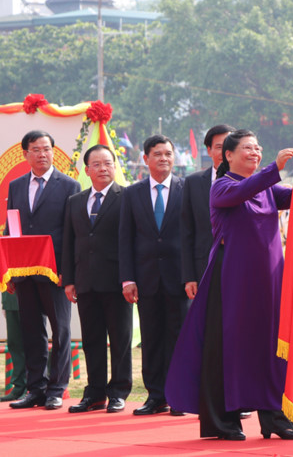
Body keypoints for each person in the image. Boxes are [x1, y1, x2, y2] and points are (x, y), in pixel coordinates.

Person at [165, 129, 293, 441]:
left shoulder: (267, 187)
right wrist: (274, 169)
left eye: (258, 148)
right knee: (227, 350)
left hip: (268, 282)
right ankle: (222, 421)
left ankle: (275, 418)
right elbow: (244, 191)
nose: (255, 152)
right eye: (248, 148)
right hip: (232, 282)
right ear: (228, 155)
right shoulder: (222, 187)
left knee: (271, 349)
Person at [6, 130, 80, 410]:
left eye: (46, 149)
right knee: (31, 329)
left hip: (56, 272)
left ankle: (56, 389)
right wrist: (10, 270)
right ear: (25, 154)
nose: (42, 154)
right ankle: (35, 388)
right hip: (24, 271)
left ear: (53, 151)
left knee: (60, 331)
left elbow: (73, 233)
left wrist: (68, 270)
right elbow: (10, 228)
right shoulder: (16, 186)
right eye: (35, 149)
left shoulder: (69, 185)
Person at [118, 134, 188, 416]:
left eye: (168, 154)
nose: (164, 159)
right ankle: (155, 396)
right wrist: (127, 278)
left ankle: (178, 396)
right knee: (151, 338)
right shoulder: (132, 193)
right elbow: (125, 238)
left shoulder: (187, 189)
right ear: (145, 159)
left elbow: (195, 236)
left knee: (178, 339)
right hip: (145, 279)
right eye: (157, 154)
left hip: (181, 279)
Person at [62, 144, 132, 414]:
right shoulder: (75, 201)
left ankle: (119, 391)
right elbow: (69, 243)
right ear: (87, 169)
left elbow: (131, 240)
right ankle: (95, 393)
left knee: (120, 340)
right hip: (85, 281)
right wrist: (69, 280)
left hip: (117, 281)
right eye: (98, 164)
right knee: (92, 340)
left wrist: (130, 278)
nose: (104, 168)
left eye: (108, 163)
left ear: (115, 166)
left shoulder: (126, 197)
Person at [181, 124, 235, 301]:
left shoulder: (249, 182)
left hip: (239, 265)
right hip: (204, 267)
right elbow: (186, 233)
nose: (225, 151)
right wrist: (189, 277)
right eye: (219, 147)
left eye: (229, 145)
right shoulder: (193, 182)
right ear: (209, 150)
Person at [0, 292, 26, 402]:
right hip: (9, 294)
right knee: (14, 342)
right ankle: (19, 386)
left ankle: (33, 387)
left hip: (31, 289)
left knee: (33, 343)